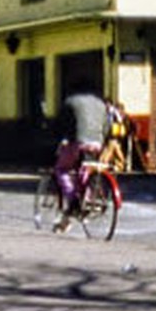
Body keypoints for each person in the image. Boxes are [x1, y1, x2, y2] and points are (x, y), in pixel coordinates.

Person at [52, 90, 108, 231]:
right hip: (97, 144)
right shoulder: (100, 104)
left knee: (61, 169)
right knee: (85, 170)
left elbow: (62, 123)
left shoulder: (70, 101)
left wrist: (63, 138)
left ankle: (72, 199)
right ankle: (84, 200)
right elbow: (107, 126)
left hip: (78, 142)